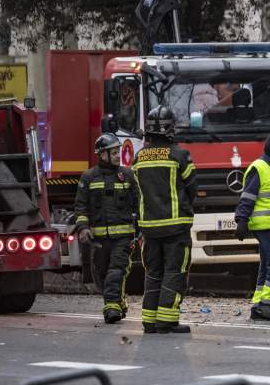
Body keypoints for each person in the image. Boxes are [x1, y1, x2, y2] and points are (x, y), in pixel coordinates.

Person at [134, 106, 197, 334]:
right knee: (174, 272)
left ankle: (149, 321)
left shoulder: (139, 156)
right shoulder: (179, 155)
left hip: (149, 228)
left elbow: (135, 192)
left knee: (153, 273)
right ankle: (167, 321)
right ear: (171, 128)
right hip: (175, 228)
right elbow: (192, 189)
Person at [73, 133, 139, 324]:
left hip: (123, 238)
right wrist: (83, 228)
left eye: (118, 152)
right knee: (101, 275)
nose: (119, 155)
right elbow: (81, 206)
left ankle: (111, 309)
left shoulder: (127, 175)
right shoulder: (89, 177)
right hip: (99, 239)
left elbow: (138, 203)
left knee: (116, 271)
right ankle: (118, 302)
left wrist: (140, 230)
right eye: (114, 152)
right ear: (102, 154)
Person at [234, 133, 270, 321]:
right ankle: (266, 304)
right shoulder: (260, 167)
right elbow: (247, 196)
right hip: (262, 224)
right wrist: (241, 219)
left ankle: (258, 306)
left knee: (267, 265)